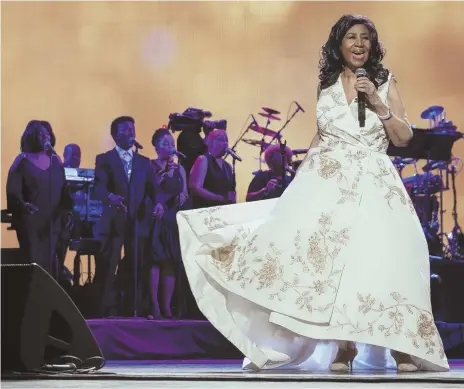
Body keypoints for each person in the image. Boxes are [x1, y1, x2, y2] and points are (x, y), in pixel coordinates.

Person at [176, 14, 449, 373]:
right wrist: (299, 183)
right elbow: (321, 136)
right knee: (331, 264)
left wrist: (379, 105)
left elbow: (403, 137)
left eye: (365, 37)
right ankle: (343, 345)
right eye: (351, 37)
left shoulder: (384, 82)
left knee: (388, 255)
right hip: (329, 181)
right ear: (339, 44)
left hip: (372, 178)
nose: (359, 43)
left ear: (373, 45)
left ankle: (398, 343)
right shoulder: (326, 85)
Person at [93, 116, 164, 317]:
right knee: (109, 265)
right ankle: (103, 309)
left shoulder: (143, 162)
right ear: (115, 135)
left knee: (136, 265)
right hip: (114, 220)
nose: (130, 132)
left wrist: (158, 203)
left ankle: (134, 307)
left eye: (132, 128)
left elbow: (153, 188)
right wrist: (110, 196)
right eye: (125, 129)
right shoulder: (104, 159)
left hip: (137, 221)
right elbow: (98, 186)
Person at [6, 120, 72, 278]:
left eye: (47, 134)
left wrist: (68, 211)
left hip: (53, 223)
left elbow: (64, 191)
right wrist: (23, 205)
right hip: (32, 222)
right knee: (35, 268)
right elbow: (13, 191)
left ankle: (49, 301)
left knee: (51, 267)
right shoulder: (22, 160)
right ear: (31, 137)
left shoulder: (55, 160)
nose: (45, 137)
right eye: (41, 134)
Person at [148, 128, 189, 320]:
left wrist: (182, 196)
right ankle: (154, 303)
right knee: (156, 261)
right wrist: (167, 172)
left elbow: (184, 192)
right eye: (165, 143)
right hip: (156, 217)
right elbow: (151, 189)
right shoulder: (150, 166)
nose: (170, 147)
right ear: (156, 147)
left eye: (171, 143)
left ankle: (167, 306)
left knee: (171, 263)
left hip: (173, 217)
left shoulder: (179, 168)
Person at [189, 129, 236, 209]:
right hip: (205, 209)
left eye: (226, 140)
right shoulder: (203, 160)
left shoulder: (228, 166)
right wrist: (217, 197)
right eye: (221, 139)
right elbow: (195, 187)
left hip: (223, 211)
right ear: (210, 142)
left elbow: (231, 190)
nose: (225, 143)